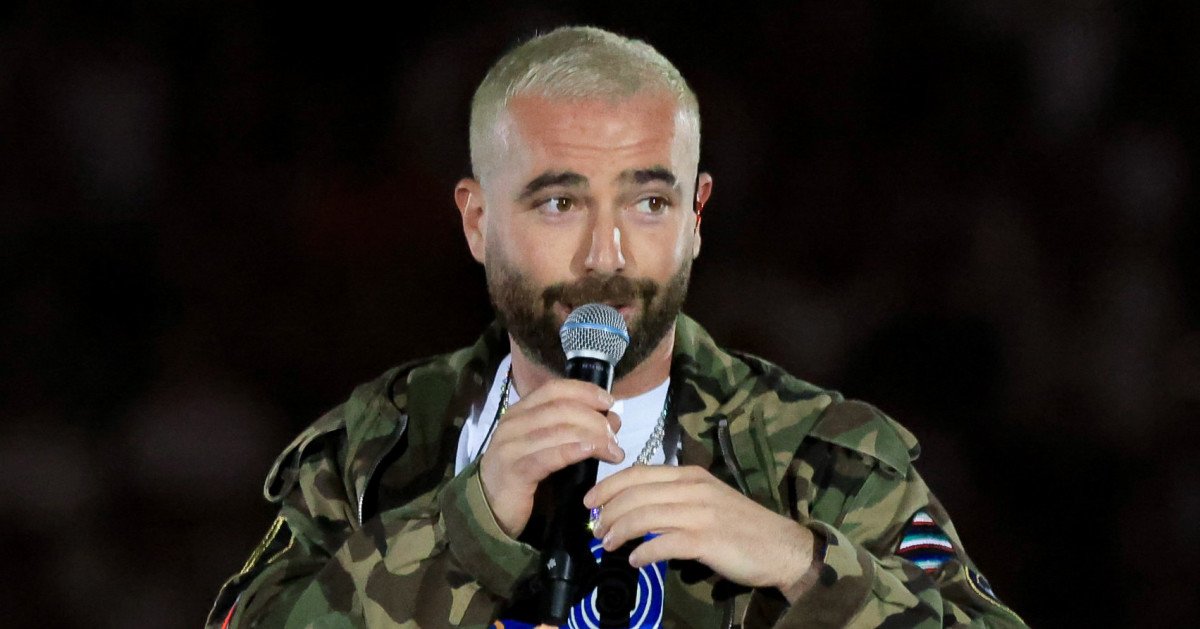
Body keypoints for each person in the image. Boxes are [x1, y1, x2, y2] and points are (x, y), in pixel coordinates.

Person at [206, 26, 1026, 628]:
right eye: (560, 202)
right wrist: (468, 524)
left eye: (649, 202)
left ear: (696, 216)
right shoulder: (375, 446)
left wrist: (800, 561)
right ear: (478, 220)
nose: (608, 254)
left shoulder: (818, 455)